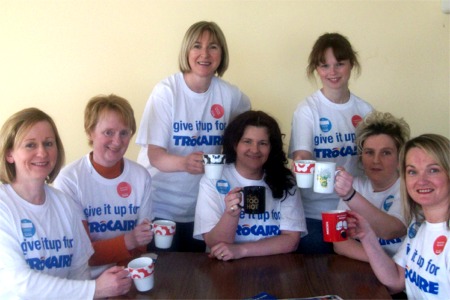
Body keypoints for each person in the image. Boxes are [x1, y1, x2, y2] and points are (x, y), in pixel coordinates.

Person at [136, 21, 251, 252]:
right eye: (197, 46)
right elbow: (155, 155)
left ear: (222, 54)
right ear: (186, 51)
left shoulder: (231, 95)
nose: (204, 54)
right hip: (160, 206)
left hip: (203, 207)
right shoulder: (166, 91)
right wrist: (184, 163)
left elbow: (244, 138)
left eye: (213, 47)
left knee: (199, 279)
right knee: (165, 277)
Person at [0, 108, 131, 298]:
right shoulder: (4, 206)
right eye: (30, 145)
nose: (42, 153)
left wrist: (91, 290)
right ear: (9, 154)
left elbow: (79, 272)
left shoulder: (64, 203)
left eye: (48, 143)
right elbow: (18, 283)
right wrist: (95, 289)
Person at [289, 32, 373, 254]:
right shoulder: (307, 109)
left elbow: (374, 162)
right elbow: (302, 158)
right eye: (324, 65)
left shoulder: (365, 111)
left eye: (339, 64)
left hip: (353, 213)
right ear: (316, 69)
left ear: (351, 65)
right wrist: (312, 167)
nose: (332, 72)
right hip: (313, 215)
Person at [54, 94, 153, 278]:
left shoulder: (141, 177)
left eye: (124, 133)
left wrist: (123, 275)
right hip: (85, 284)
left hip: (129, 277)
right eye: (108, 132)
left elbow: (142, 244)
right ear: (90, 132)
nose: (117, 141)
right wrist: (128, 240)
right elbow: (81, 254)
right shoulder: (69, 179)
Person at [194, 111, 307, 260]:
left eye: (263, 143)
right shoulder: (213, 179)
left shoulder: (286, 180)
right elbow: (214, 243)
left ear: (271, 147)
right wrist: (231, 214)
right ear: (235, 144)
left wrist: (241, 250)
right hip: (224, 267)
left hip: (274, 266)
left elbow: (291, 240)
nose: (255, 150)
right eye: (247, 141)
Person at [348, 134, 450, 298]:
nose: (421, 181)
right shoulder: (419, 225)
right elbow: (396, 280)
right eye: (412, 172)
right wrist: (367, 235)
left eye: (433, 170)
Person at [333, 111, 410, 262]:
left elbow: (391, 230)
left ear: (400, 156)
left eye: (386, 153)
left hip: (403, 277)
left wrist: (350, 196)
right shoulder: (356, 184)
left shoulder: (409, 187)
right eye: (369, 152)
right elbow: (339, 241)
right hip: (372, 268)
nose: (376, 160)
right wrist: (383, 264)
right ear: (361, 156)